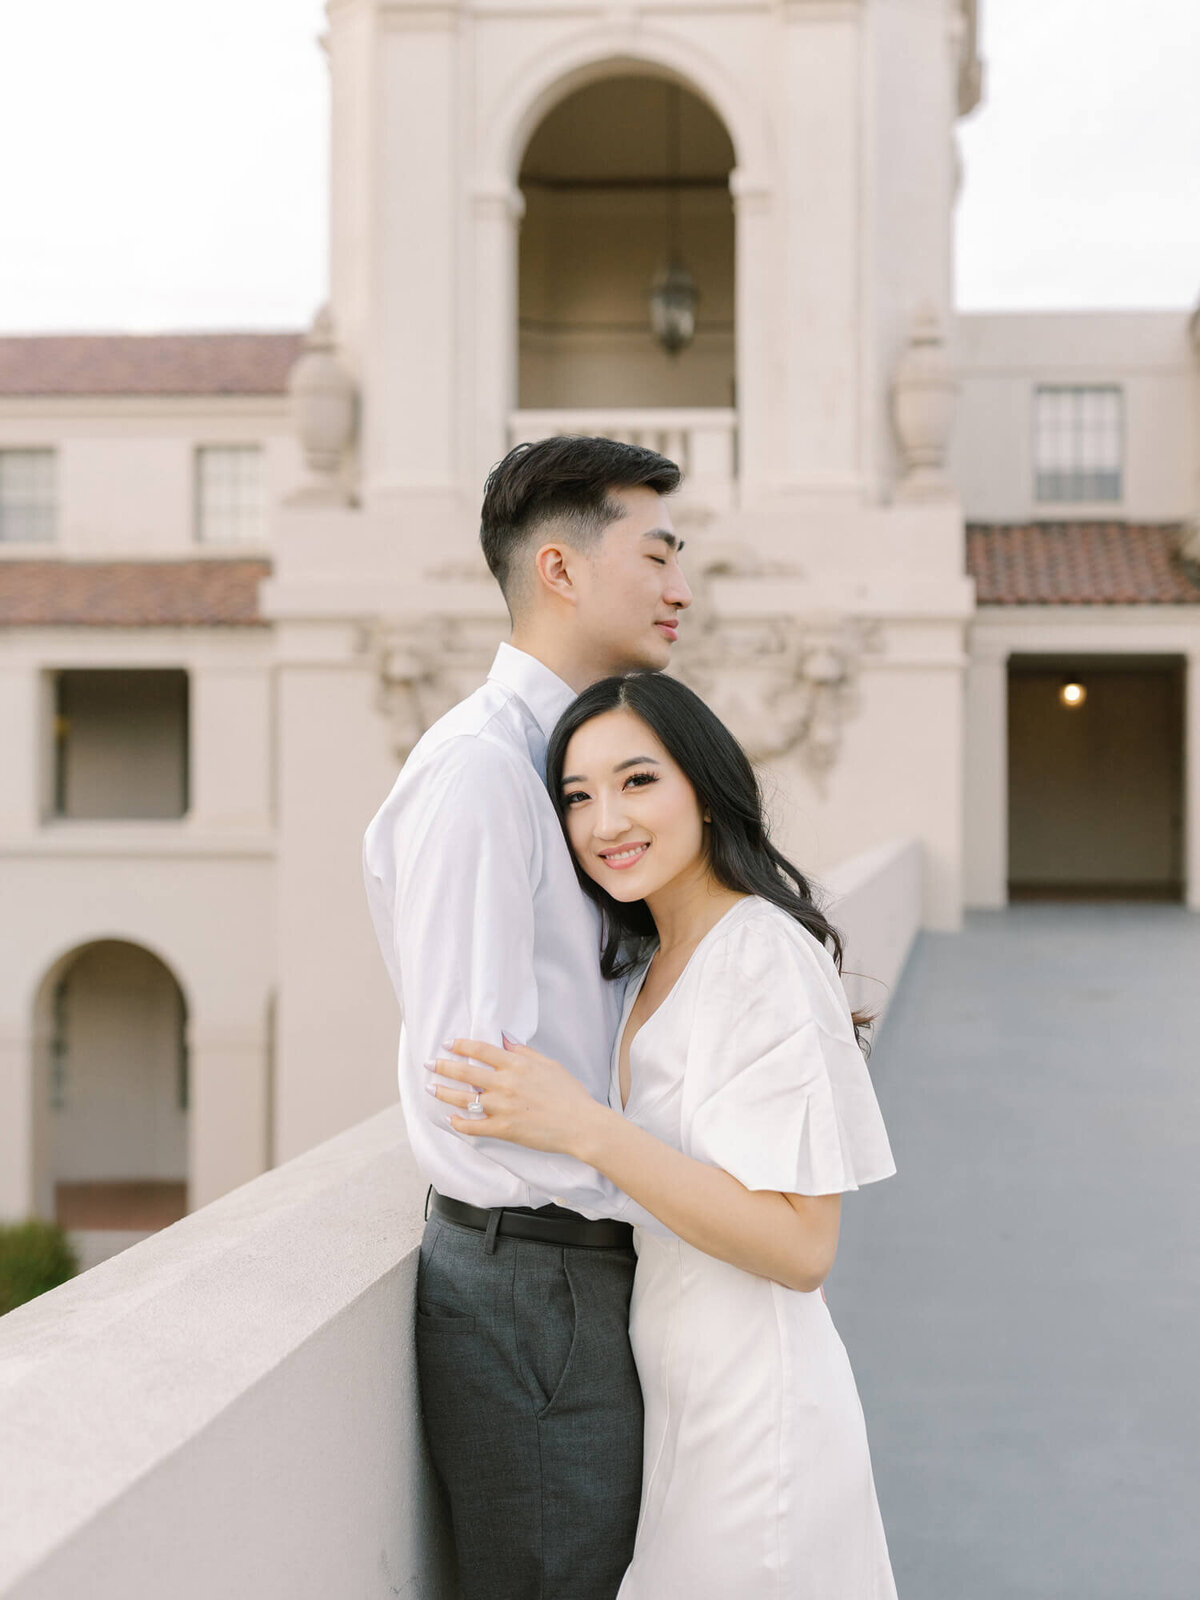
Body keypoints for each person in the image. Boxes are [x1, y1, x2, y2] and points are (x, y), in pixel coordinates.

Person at [429, 670, 899, 1600]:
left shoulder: (762, 952)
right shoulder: (648, 963)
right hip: (677, 1398)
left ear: (706, 788)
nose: (606, 822)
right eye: (577, 796)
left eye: (638, 781)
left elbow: (803, 1246)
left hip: (757, 1411)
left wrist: (584, 1128)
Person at [362, 436, 692, 1600]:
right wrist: (671, 1184)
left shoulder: (568, 763)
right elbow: (480, 1085)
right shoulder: (482, 773)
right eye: (656, 554)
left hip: (583, 1265)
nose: (679, 587)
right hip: (533, 1277)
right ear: (559, 569)